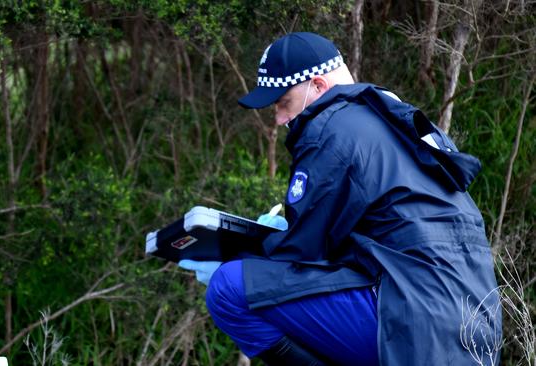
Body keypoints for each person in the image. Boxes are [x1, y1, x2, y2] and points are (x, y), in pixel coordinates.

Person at [178, 32, 501, 365]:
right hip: (478, 328)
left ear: (317, 86)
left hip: (413, 321)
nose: (278, 119)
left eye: (283, 103)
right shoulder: (396, 121)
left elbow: (301, 253)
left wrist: (237, 252)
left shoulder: (330, 128)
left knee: (228, 289)